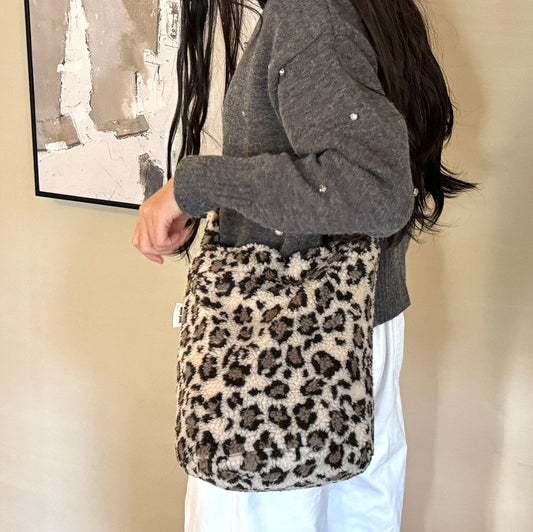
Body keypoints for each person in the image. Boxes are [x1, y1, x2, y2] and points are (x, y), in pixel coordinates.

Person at [131, 0, 477, 529]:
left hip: (286, 351)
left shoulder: (307, 14)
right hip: (340, 333)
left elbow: (375, 190)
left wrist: (195, 185)